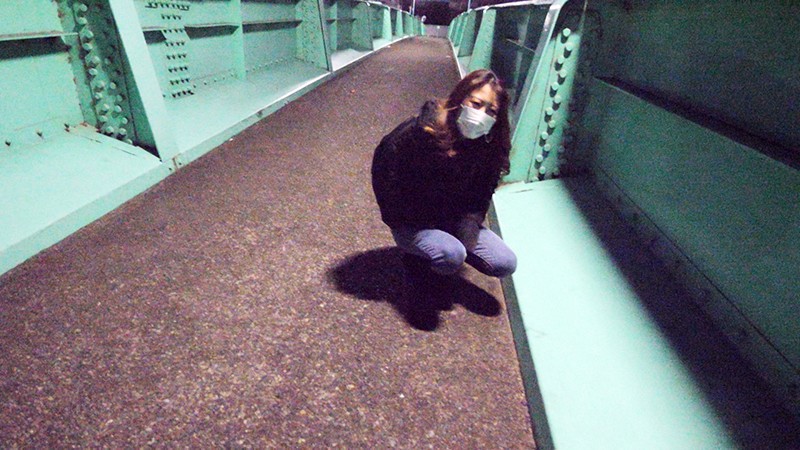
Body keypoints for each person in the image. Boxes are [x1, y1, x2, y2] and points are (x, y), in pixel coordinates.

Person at [371, 69, 517, 309]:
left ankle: (442, 255)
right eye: (476, 104)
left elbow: (481, 196)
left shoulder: (488, 147)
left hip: (453, 218)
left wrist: (467, 231)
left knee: (504, 262)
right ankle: (418, 261)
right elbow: (384, 174)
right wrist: (401, 221)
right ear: (460, 99)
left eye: (491, 111)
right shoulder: (418, 133)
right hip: (413, 220)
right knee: (450, 254)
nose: (481, 114)